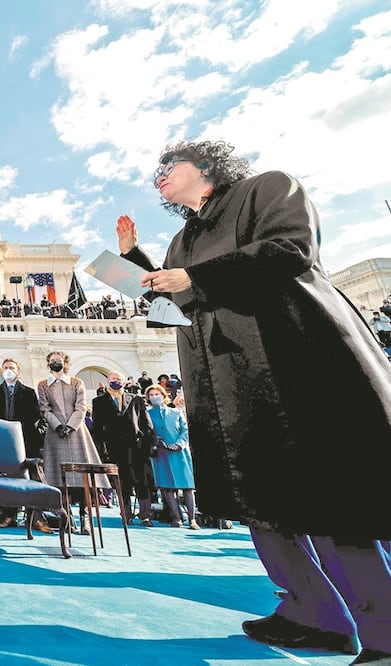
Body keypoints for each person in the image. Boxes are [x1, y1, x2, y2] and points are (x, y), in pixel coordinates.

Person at [118, 139, 391, 661]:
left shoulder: (267, 189)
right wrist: (135, 263)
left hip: (293, 362)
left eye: (169, 168)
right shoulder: (182, 239)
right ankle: (313, 614)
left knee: (334, 501)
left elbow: (290, 250)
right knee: (264, 504)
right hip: (227, 384)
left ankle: (384, 627)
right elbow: (172, 295)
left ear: (206, 167)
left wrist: (194, 277)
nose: (160, 177)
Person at [37, 350, 107, 535]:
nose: (55, 362)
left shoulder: (77, 382)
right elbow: (44, 408)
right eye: (52, 360)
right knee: (59, 479)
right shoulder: (43, 385)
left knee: (83, 477)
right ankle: (67, 518)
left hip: (77, 433)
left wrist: (71, 425)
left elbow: (81, 406)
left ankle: (85, 518)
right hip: (55, 434)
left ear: (64, 362)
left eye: (58, 360)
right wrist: (58, 425)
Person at [0, 358, 48, 531]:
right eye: (5, 367)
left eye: (11, 368)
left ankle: (34, 517)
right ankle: (9, 515)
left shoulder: (29, 392)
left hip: (27, 441)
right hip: (4, 443)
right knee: (8, 479)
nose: (8, 370)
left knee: (32, 479)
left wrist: (37, 434)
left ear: (18, 370)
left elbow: (38, 417)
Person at [90, 370, 155, 527]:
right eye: (113, 379)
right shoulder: (98, 401)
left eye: (118, 379)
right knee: (122, 482)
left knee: (142, 481)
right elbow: (97, 427)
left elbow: (146, 424)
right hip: (114, 448)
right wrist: (101, 449)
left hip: (136, 446)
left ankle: (145, 515)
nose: (116, 381)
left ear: (124, 381)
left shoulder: (136, 399)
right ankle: (126, 514)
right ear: (107, 381)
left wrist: (149, 444)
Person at [145, 384, 198, 530]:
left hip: (180, 453)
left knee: (187, 487)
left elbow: (185, 431)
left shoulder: (176, 413)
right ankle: (176, 517)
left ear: (163, 395)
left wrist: (179, 444)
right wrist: (156, 441)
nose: (155, 397)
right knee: (168, 488)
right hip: (161, 453)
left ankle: (192, 519)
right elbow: (147, 431)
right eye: (151, 395)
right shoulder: (147, 414)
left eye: (157, 394)